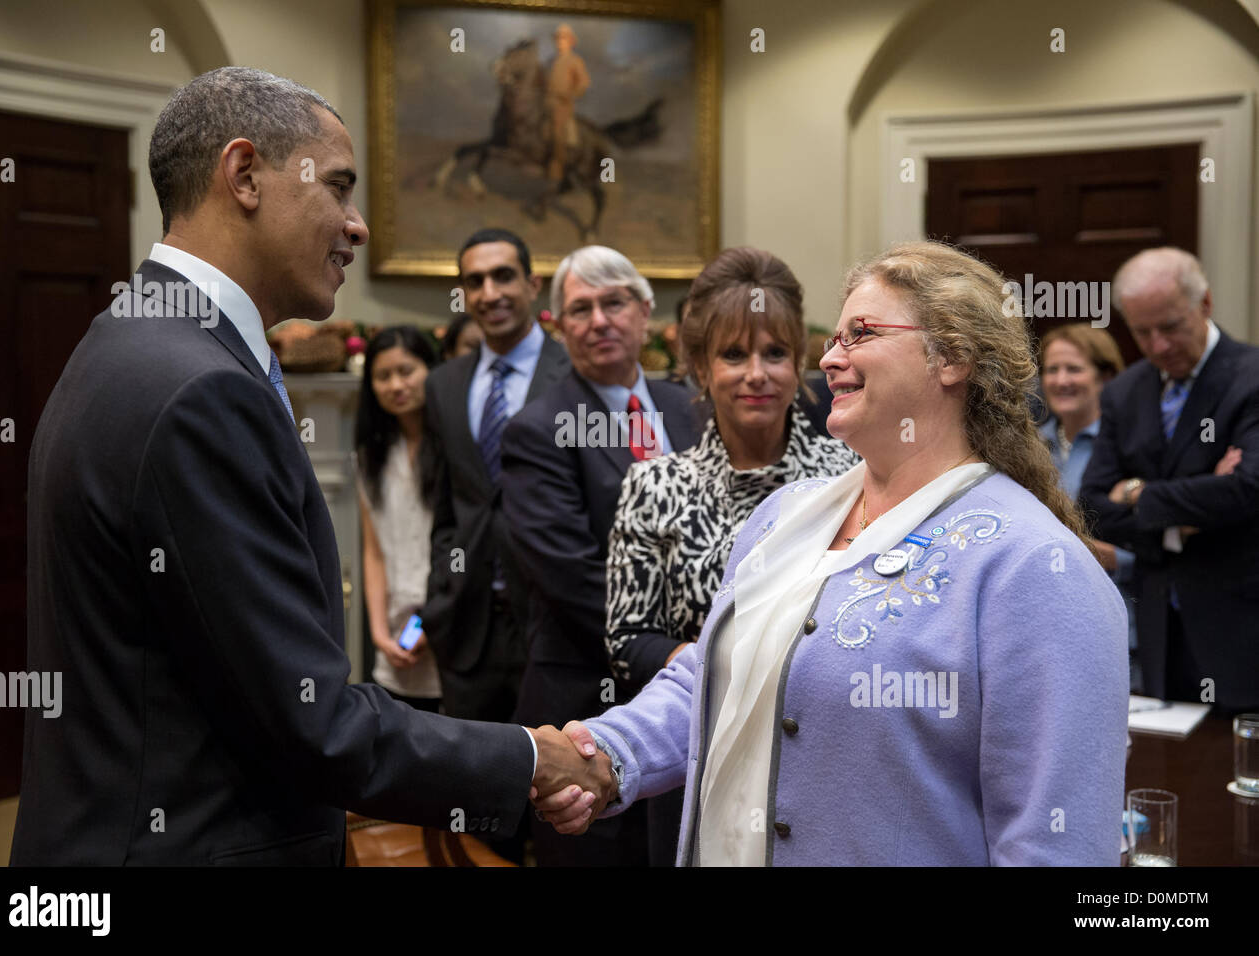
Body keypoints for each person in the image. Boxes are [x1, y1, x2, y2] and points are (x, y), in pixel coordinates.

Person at [10, 68, 610, 865]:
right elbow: (310, 720)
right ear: (245, 174)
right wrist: (530, 760)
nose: (357, 226)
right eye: (338, 187)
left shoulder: (131, 337)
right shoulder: (202, 390)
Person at [537, 240, 1129, 866]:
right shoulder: (784, 515)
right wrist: (607, 753)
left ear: (951, 357)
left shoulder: (1034, 564)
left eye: (859, 334)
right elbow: (714, 678)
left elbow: (1053, 843)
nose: (829, 358)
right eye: (834, 338)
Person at [603, 247, 857, 864]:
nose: (757, 374)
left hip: (820, 756)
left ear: (800, 362)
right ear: (699, 366)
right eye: (734, 355)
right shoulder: (655, 485)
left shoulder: (851, 477)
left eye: (775, 354)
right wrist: (724, 667)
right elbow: (626, 635)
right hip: (691, 753)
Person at [500, 245, 702, 865]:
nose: (599, 321)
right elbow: (572, 575)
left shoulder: (690, 406)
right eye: (579, 309)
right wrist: (674, 649)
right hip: (588, 705)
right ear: (559, 328)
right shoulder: (539, 428)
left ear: (644, 313)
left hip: (694, 704)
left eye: (614, 303)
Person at [1080, 247, 1259, 712]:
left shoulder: (1250, 377)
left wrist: (1136, 493)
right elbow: (1094, 506)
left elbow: (1247, 491)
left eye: (1171, 327)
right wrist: (1188, 516)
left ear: (1205, 305)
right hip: (1160, 629)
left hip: (1240, 628)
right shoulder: (1125, 391)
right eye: (1143, 332)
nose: (1159, 345)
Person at [421, 228, 570, 723]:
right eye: (475, 281)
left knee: (555, 788)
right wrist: (442, 589)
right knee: (471, 789)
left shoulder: (572, 375)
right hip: (466, 626)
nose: (490, 293)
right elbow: (446, 502)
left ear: (533, 284)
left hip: (554, 624)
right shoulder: (444, 384)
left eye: (503, 276)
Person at [1036, 324, 1140, 691]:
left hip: (1117, 628)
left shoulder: (1132, 447)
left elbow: (1164, 549)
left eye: (1074, 369)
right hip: (1041, 631)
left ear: (1106, 377)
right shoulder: (1025, 447)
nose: (1061, 380)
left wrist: (1110, 557)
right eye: (1052, 369)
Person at [355, 325, 443, 713]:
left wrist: (425, 625)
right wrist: (378, 633)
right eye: (382, 376)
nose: (395, 385)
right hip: (395, 635)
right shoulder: (368, 457)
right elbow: (374, 551)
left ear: (431, 370)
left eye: (406, 371)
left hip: (448, 626)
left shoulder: (454, 448)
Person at [546, 23, 590, 183]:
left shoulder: (575, 60)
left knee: (557, 132)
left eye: (563, 38)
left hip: (562, 105)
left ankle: (558, 169)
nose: (559, 41)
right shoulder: (551, 60)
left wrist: (570, 95)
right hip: (546, 101)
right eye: (558, 38)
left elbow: (584, 82)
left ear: (570, 41)